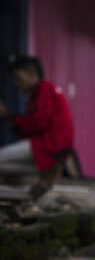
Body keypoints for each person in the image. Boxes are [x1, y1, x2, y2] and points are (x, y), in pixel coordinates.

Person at [0, 55, 74, 199]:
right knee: (7, 168)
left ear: (32, 73)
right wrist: (11, 120)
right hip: (52, 148)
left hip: (47, 146)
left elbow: (37, 124)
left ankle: (25, 195)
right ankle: (24, 196)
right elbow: (31, 127)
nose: (16, 83)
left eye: (17, 77)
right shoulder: (39, 93)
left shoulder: (44, 88)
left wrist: (7, 114)